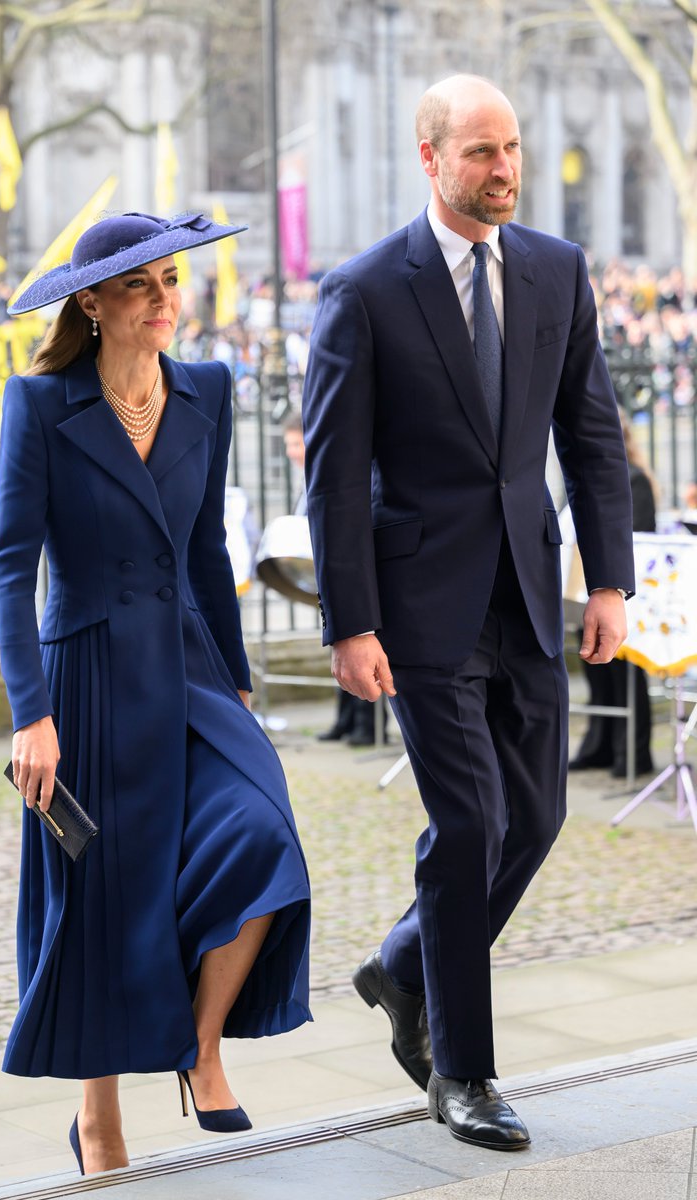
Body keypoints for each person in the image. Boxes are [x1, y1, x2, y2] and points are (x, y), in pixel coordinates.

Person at [301, 75, 633, 1151]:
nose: (504, 170)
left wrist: (610, 584)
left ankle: (400, 968)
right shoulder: (362, 291)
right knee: (469, 825)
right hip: (416, 611)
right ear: (429, 155)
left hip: (529, 596)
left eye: (511, 149)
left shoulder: (554, 270)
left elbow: (589, 435)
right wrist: (349, 623)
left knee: (534, 818)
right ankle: (461, 1069)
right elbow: (335, 477)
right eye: (481, 152)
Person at [0, 212, 311, 1176]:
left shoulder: (207, 390)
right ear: (92, 301)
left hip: (191, 673)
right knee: (98, 897)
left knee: (265, 839)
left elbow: (208, 551)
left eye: (172, 279)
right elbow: (11, 568)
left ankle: (203, 1048)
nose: (167, 299)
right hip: (85, 681)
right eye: (143, 285)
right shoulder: (40, 403)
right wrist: (30, 713)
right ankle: (99, 1123)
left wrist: (243, 687)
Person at [282, 413, 385, 745]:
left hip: (360, 574)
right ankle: (345, 719)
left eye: (296, 444)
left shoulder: (342, 473)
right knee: (339, 644)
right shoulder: (305, 478)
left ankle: (367, 725)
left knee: (360, 643)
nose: (292, 452)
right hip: (324, 571)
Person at [570, 408, 658, 776]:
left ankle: (632, 753)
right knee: (597, 674)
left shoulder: (634, 479)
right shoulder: (580, 477)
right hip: (583, 587)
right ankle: (601, 746)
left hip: (620, 592)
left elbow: (634, 534)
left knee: (625, 674)